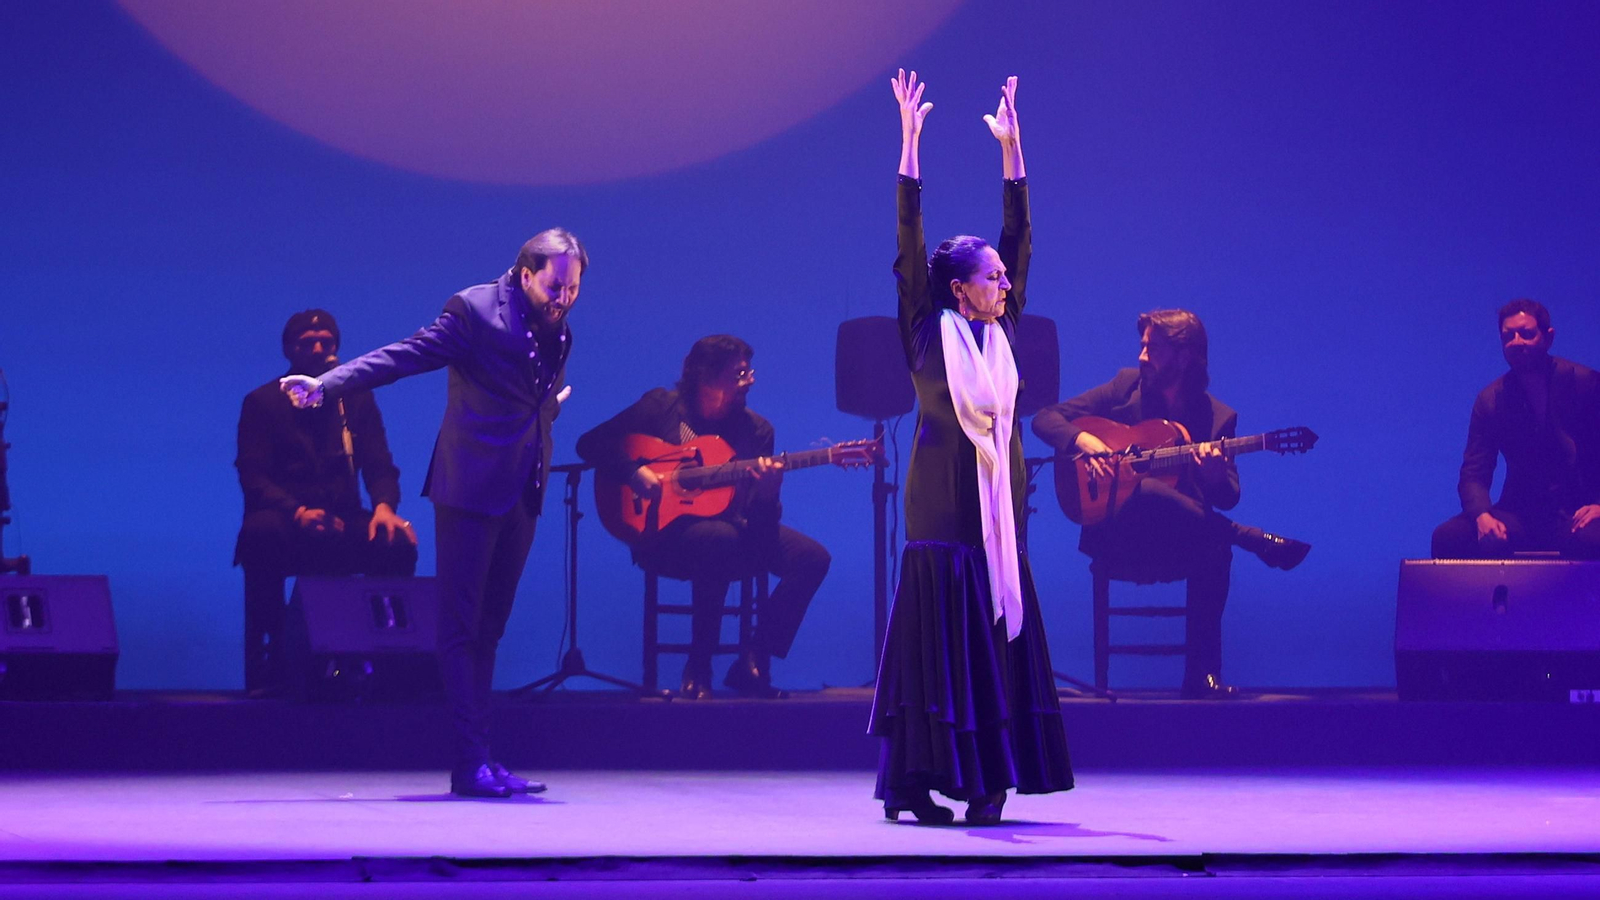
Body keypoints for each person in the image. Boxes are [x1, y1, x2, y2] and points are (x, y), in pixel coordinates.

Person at [280, 229, 587, 798]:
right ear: (525, 273)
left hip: (522, 489)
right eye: (554, 284)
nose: (563, 296)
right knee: (460, 628)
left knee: (490, 629)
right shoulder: (474, 311)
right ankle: (469, 763)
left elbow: (524, 399)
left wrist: (547, 411)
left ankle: (483, 759)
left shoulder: (558, 330)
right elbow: (404, 356)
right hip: (470, 489)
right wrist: (326, 385)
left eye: (573, 287)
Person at [868, 71, 1073, 827]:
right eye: (990, 278)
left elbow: (1020, 240)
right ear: (959, 289)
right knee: (940, 641)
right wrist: (909, 145)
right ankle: (916, 783)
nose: (1003, 283)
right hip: (941, 507)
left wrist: (1014, 156)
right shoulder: (927, 327)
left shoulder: (1002, 331)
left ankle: (989, 778)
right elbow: (908, 242)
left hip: (997, 509)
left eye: (1001, 278)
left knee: (994, 636)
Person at [1033, 309, 1311, 700]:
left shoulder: (1216, 418)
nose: (1142, 357)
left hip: (1178, 538)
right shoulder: (1123, 388)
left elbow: (1228, 496)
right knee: (1143, 490)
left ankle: (1202, 677)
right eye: (1142, 346)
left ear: (1183, 357)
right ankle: (1249, 538)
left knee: (1215, 550)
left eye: (1153, 348)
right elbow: (1046, 418)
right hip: (1117, 534)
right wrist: (1083, 442)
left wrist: (1214, 476)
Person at [575, 335, 831, 699]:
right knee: (718, 539)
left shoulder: (756, 432)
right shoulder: (661, 407)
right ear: (704, 376)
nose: (750, 381)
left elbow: (759, 527)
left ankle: (753, 658)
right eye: (739, 373)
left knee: (813, 558)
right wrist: (633, 472)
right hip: (662, 536)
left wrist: (768, 495)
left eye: (749, 372)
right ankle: (699, 664)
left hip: (737, 533)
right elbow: (590, 443)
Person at [234, 309, 418, 695]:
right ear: (289, 349)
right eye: (308, 342)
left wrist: (385, 507)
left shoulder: (353, 400)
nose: (318, 349)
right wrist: (297, 512)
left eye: (326, 342)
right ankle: (269, 668)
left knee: (395, 542)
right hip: (285, 518)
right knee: (261, 534)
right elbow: (253, 475)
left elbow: (380, 463)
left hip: (342, 517)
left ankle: (390, 668)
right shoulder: (262, 402)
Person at [1431, 299, 1600, 559]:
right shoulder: (1491, 399)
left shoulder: (1586, 384)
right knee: (1449, 538)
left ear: (1548, 337)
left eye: (1527, 333)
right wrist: (1481, 514)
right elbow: (1474, 472)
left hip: (1578, 508)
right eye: (1508, 336)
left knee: (1594, 538)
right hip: (1519, 513)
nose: (1517, 342)